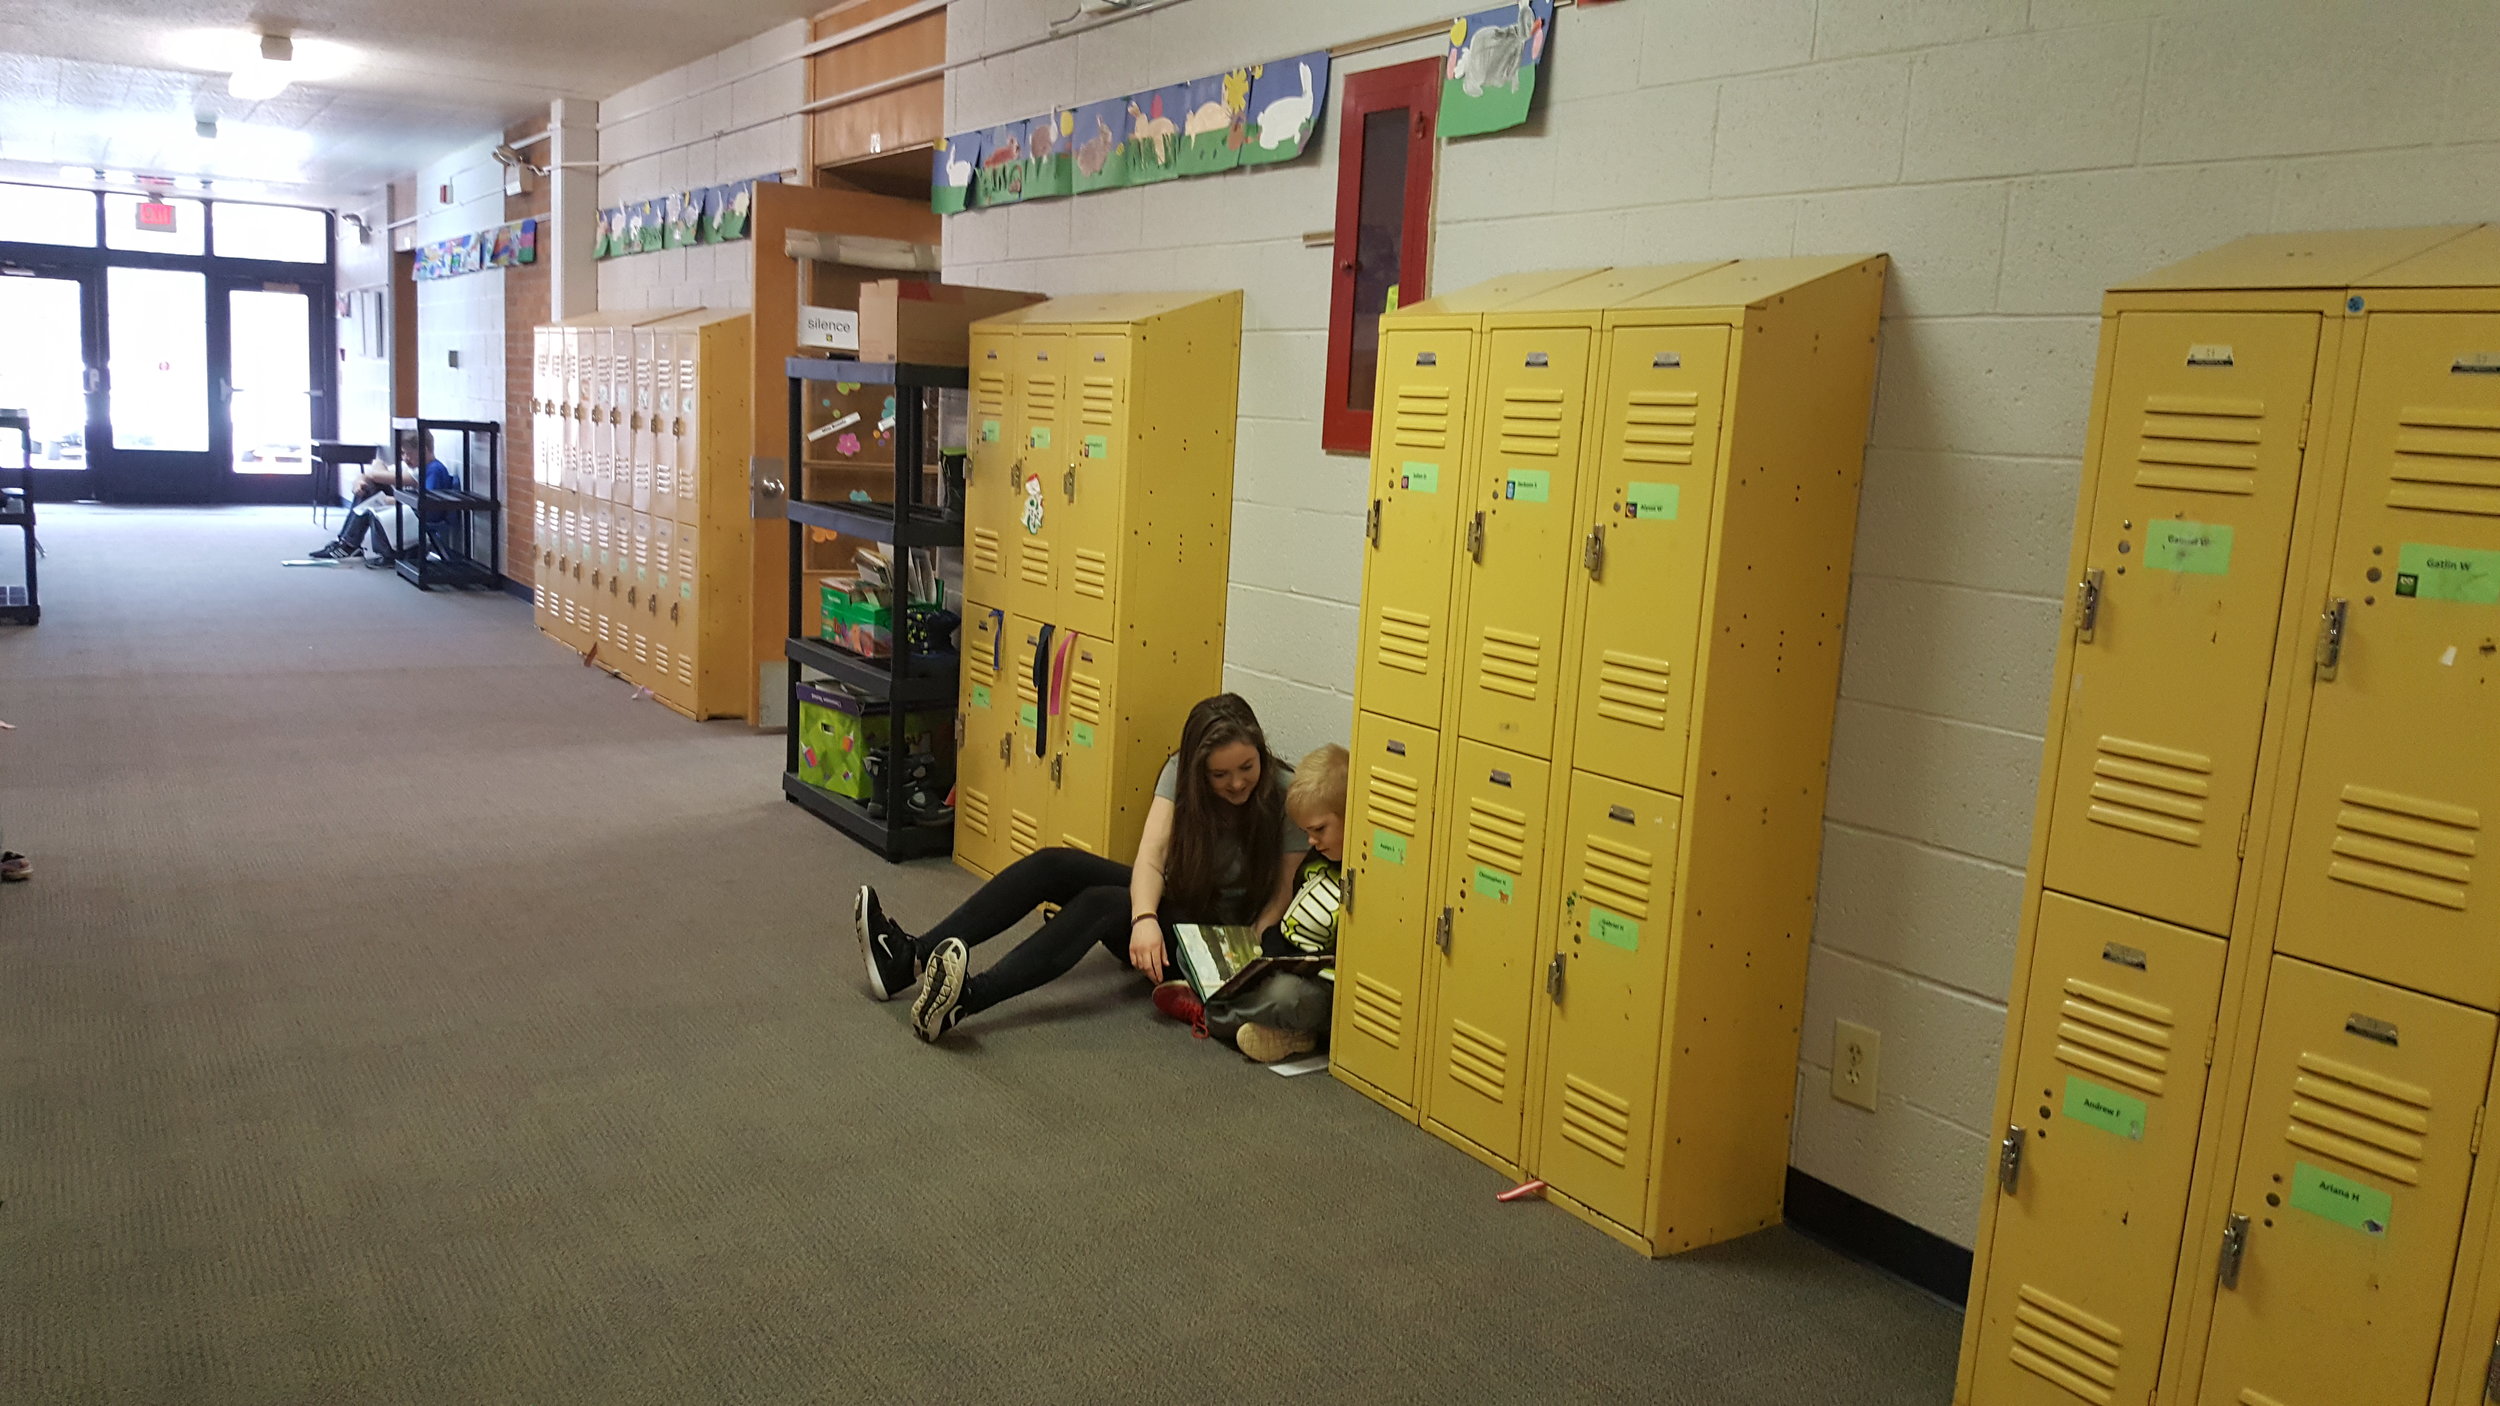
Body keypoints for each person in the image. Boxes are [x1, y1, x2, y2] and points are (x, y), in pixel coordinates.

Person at [852, 693, 1306, 1043]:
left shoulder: (1283, 792)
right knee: (1056, 863)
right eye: (1220, 775)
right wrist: (1145, 918)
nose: (1237, 782)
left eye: (1247, 767)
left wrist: (1253, 951)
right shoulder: (1179, 771)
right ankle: (908, 958)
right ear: (1198, 769)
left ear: (1261, 754)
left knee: (1103, 904)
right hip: (1179, 906)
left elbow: (1281, 891)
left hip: (1221, 937)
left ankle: (968, 998)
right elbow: (1151, 855)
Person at [1154, 742, 1346, 1063]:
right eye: (1306, 832)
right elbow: (1292, 918)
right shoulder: (1317, 861)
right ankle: (1273, 1028)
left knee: (1288, 998)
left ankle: (1211, 1012)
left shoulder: (1365, 877)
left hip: (1316, 986)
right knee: (1193, 949)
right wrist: (1267, 948)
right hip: (1282, 962)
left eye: (1319, 830)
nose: (1311, 841)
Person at [305, 434, 457, 563]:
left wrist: (392, 500)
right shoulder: (415, 467)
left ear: (423, 450)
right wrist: (361, 481)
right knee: (369, 487)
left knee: (372, 492)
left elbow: (426, 503)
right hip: (410, 507)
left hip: (421, 515)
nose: (405, 458)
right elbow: (376, 467)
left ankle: (348, 544)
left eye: (407, 453)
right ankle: (347, 543)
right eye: (402, 454)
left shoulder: (434, 470)